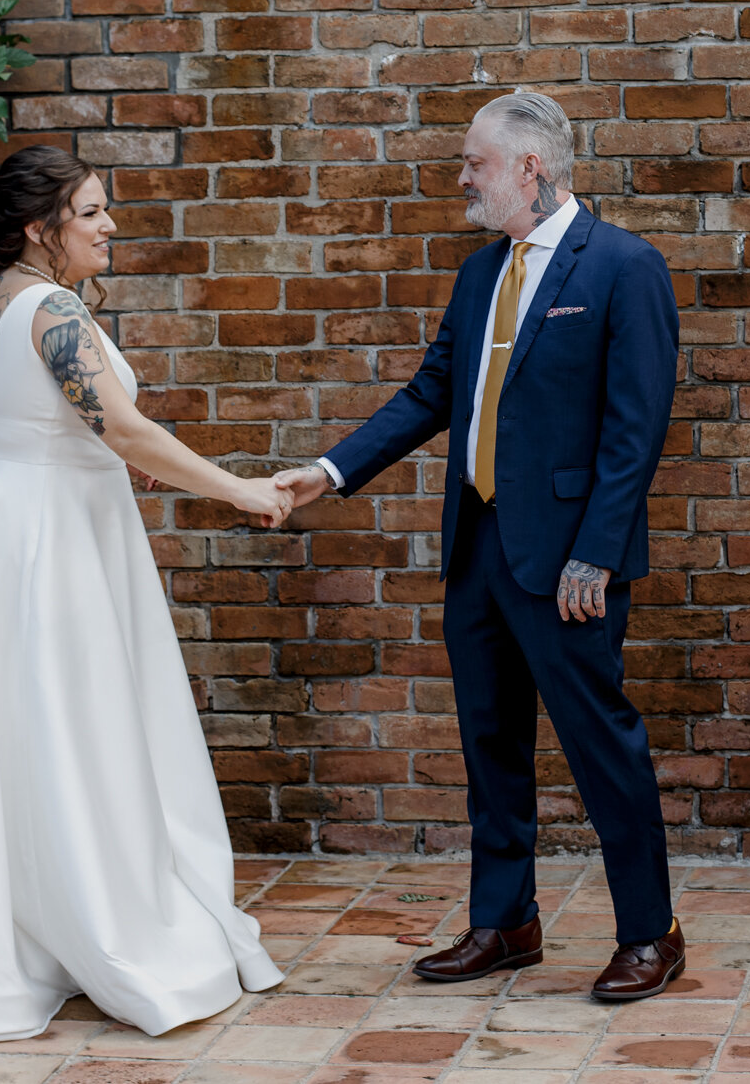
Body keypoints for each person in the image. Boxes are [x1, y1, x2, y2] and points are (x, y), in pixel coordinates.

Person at [0, 145, 286, 1041]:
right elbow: (124, 426)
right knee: (69, 729)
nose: (110, 226)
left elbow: (58, 424)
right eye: (92, 213)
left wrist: (111, 457)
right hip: (42, 542)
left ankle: (15, 923)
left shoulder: (0, 302)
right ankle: (83, 919)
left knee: (11, 736)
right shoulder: (54, 308)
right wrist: (241, 489)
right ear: (42, 227)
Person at [275, 92, 685, 1001]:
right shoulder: (479, 275)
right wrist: (328, 473)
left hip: (572, 560)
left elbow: (636, 428)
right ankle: (506, 920)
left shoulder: (624, 267)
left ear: (529, 168)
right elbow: (428, 395)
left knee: (600, 744)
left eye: (476, 163)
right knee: (489, 742)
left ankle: (651, 933)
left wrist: (598, 552)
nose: (463, 177)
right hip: (479, 545)